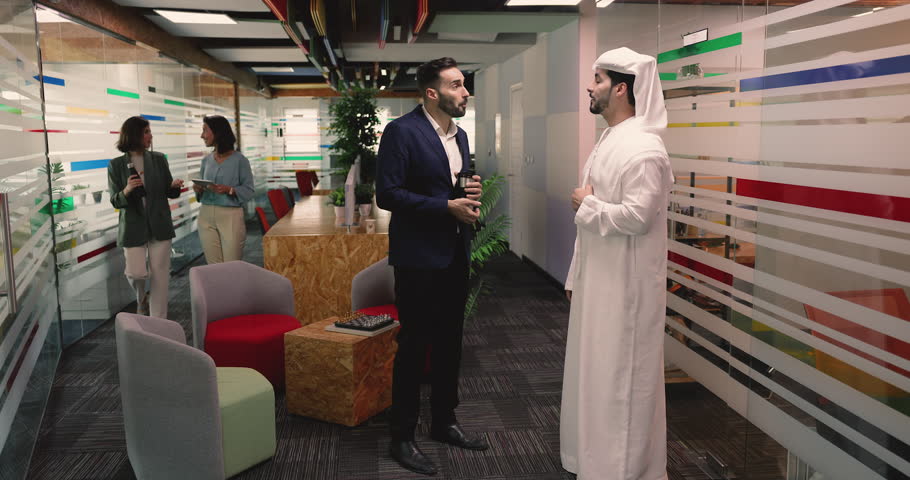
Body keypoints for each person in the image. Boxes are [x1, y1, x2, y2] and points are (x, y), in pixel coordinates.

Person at [561, 47, 675, 480]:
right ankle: (594, 461)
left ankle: (624, 470)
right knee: (596, 374)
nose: (590, 86)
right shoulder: (611, 139)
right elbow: (590, 223)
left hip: (627, 289)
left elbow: (637, 218)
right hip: (599, 280)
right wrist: (576, 274)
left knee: (623, 380)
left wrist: (586, 204)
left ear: (621, 88)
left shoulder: (646, 150)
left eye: (598, 78)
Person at [376, 57, 487, 476]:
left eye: (464, 85)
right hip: (418, 258)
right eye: (457, 86)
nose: (465, 92)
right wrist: (445, 207)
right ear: (431, 92)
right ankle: (402, 436)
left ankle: (444, 422)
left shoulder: (459, 136)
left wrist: (467, 190)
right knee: (414, 346)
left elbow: (452, 184)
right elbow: (387, 194)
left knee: (449, 343)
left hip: (455, 252)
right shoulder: (401, 132)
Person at [108, 116, 184, 318]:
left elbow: (168, 191)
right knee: (136, 273)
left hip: (160, 224)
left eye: (149, 132)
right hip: (133, 227)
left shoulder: (159, 159)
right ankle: (141, 299)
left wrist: (174, 187)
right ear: (135, 135)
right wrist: (127, 190)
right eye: (146, 132)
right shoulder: (115, 165)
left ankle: (159, 321)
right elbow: (115, 200)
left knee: (160, 277)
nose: (151, 136)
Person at [193, 115, 254, 263]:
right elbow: (201, 189)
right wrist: (198, 189)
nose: (202, 135)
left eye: (204, 130)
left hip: (230, 216)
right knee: (214, 267)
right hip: (206, 215)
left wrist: (230, 190)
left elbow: (249, 190)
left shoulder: (240, 160)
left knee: (232, 265)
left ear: (217, 132)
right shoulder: (206, 161)